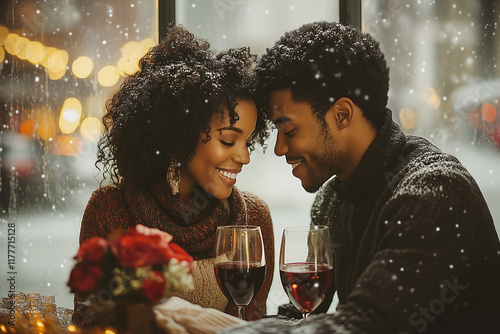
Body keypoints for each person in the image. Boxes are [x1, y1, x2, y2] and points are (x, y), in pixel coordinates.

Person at [219, 21, 500, 333]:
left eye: (289, 130)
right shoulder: (332, 200)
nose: (279, 148)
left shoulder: (436, 191)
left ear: (342, 114)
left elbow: (366, 325)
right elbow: (303, 318)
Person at [72, 25, 274, 328]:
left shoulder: (253, 218)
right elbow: (89, 320)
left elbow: (250, 324)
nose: (245, 157)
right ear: (180, 136)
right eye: (229, 140)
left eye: (248, 141)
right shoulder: (108, 209)